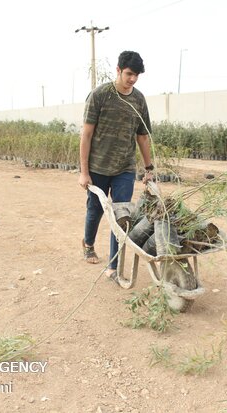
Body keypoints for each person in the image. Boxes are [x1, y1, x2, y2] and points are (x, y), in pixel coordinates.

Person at [78, 50, 154, 283]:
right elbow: (87, 134)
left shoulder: (139, 100)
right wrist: (84, 172)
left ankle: (113, 265)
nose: (132, 79)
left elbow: (142, 137)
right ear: (119, 70)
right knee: (96, 211)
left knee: (122, 217)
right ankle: (88, 243)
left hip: (124, 168)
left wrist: (149, 168)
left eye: (137, 75)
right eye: (129, 74)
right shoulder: (100, 95)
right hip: (98, 167)